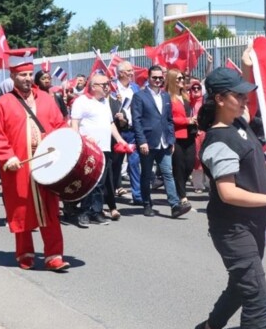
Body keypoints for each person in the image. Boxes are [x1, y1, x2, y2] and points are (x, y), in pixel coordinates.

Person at [194, 67, 266, 329]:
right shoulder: (218, 139)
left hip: (253, 222)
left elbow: (256, 93)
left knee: (241, 285)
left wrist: (252, 63)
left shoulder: (238, 122)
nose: (244, 97)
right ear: (220, 99)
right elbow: (228, 192)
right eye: (237, 94)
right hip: (232, 227)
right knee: (256, 296)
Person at [0, 48, 70, 271]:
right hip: (18, 165)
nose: (26, 78)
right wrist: (7, 157)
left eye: (29, 74)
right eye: (21, 75)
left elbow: (59, 126)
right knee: (22, 209)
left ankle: (54, 255)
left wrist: (64, 145)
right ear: (13, 76)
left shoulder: (46, 99)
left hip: (46, 164)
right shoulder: (4, 103)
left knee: (50, 210)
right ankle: (24, 252)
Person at [131, 65, 192, 218]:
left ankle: (174, 205)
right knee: (146, 174)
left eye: (160, 78)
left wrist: (171, 140)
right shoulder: (139, 96)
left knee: (167, 173)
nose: (158, 80)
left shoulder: (165, 96)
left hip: (164, 142)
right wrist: (141, 141)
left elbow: (169, 120)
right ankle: (147, 204)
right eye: (154, 78)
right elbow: (136, 121)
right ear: (149, 78)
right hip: (148, 142)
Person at [70, 72, 127, 226]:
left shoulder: (104, 102)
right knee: (88, 182)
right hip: (88, 150)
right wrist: (79, 142)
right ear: (94, 86)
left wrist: (120, 139)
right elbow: (74, 124)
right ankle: (84, 212)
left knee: (100, 183)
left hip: (104, 148)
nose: (107, 87)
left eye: (108, 84)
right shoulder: (81, 101)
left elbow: (110, 123)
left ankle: (96, 211)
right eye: (104, 85)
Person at [167, 69, 198, 205]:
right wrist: (187, 120)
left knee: (190, 164)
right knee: (179, 166)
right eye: (178, 79)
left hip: (190, 135)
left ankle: (180, 188)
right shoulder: (167, 97)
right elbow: (169, 118)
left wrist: (194, 120)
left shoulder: (186, 96)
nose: (181, 81)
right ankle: (182, 195)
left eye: (182, 79)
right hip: (177, 136)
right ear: (172, 80)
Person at [114, 61, 142, 204]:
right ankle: (111, 190)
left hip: (132, 130)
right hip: (117, 132)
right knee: (116, 163)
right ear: (120, 73)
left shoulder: (135, 88)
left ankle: (137, 195)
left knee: (134, 163)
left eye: (132, 70)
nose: (132, 73)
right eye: (128, 71)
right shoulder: (112, 88)